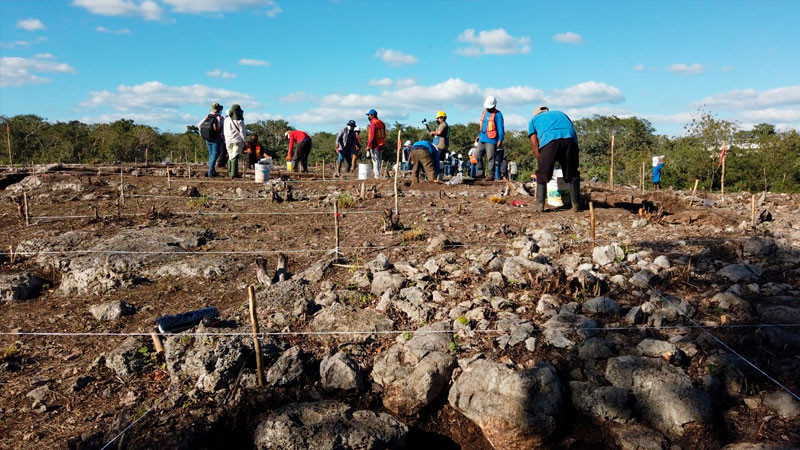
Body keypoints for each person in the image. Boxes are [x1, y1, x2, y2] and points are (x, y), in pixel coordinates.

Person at [528, 105, 581, 212]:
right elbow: (572, 130)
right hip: (570, 140)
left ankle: (539, 206)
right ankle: (576, 205)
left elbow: (534, 143)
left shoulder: (533, 120)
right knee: (572, 174)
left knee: (542, 174)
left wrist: (541, 161)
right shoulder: (561, 113)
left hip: (550, 141)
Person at [475, 96, 504, 181]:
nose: (488, 109)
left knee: (490, 157)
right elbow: (484, 126)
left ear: (494, 106)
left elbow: (500, 128)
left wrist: (500, 139)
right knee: (477, 155)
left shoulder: (498, 114)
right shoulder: (484, 112)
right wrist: (479, 135)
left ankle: (491, 175)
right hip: (482, 138)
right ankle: (480, 172)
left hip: (492, 139)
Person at [197, 102, 225, 177]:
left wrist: (203, 134)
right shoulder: (220, 118)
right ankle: (211, 172)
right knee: (215, 154)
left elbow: (199, 125)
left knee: (211, 154)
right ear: (219, 110)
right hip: (216, 138)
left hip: (207, 138)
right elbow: (223, 129)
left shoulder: (207, 117)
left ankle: (212, 170)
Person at [223, 104, 246, 178]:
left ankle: (230, 172)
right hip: (237, 141)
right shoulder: (240, 121)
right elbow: (242, 133)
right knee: (235, 156)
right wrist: (245, 142)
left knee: (230, 156)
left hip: (228, 140)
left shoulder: (226, 120)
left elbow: (225, 131)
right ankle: (234, 174)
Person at [365, 109, 386, 179]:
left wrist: (369, 145)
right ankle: (378, 174)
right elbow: (384, 134)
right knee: (379, 160)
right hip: (382, 144)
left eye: (369, 115)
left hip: (375, 145)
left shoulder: (373, 123)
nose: (368, 116)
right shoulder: (381, 123)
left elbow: (372, 135)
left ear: (372, 115)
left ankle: (377, 176)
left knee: (375, 160)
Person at [430, 111, 449, 180]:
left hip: (440, 145)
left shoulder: (442, 124)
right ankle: (440, 177)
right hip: (444, 145)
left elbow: (439, 132)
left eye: (438, 118)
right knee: (441, 161)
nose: (437, 120)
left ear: (442, 118)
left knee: (436, 160)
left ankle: (436, 177)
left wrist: (433, 132)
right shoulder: (445, 125)